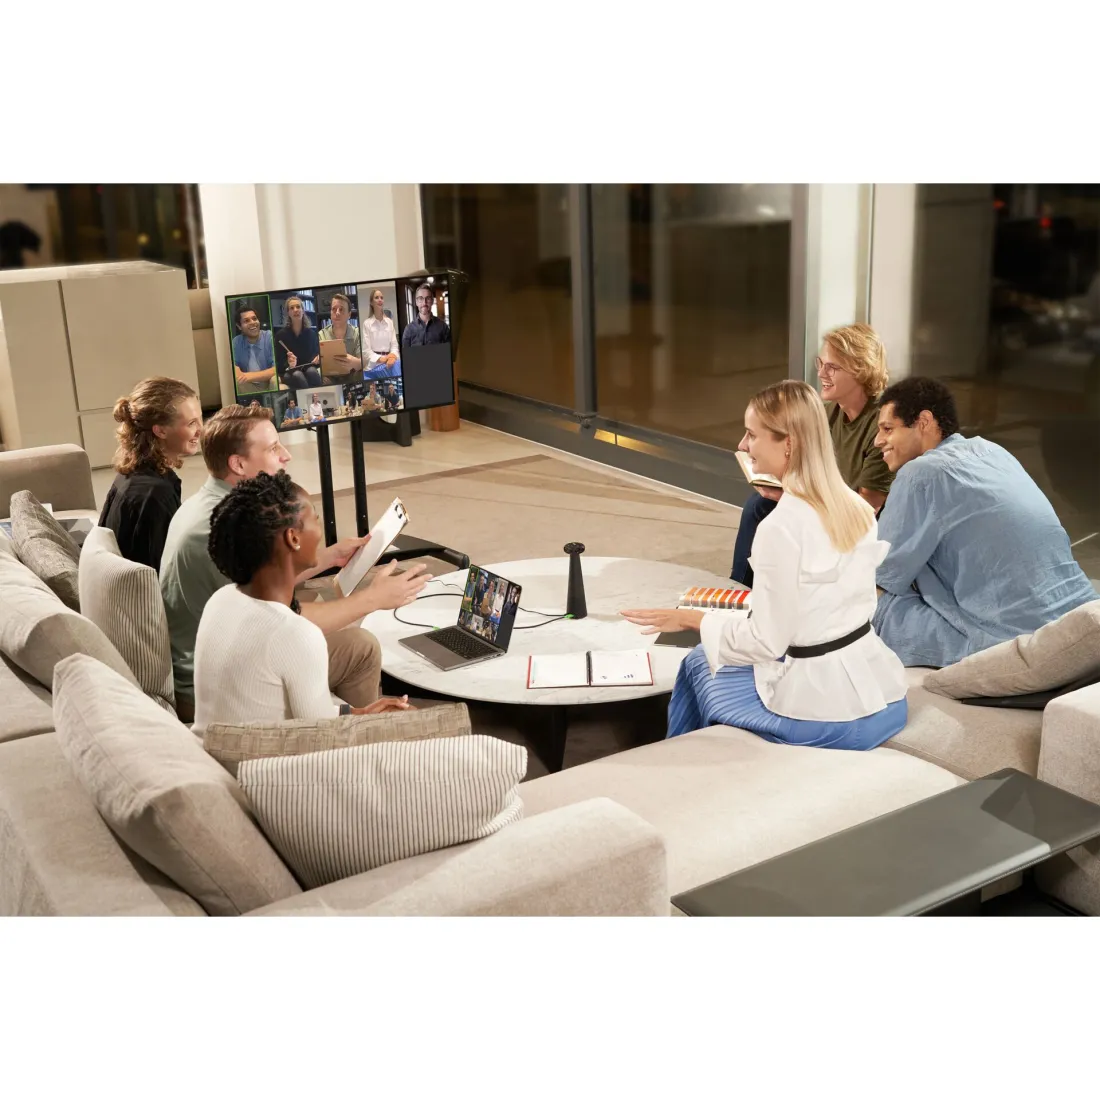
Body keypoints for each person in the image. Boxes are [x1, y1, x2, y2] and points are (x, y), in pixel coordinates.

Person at [622, 379, 907, 749]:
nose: (743, 446)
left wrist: (694, 620)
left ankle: (687, 764)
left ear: (788, 442)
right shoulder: (856, 507)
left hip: (829, 715)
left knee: (698, 663)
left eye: (752, 435)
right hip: (884, 695)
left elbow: (766, 643)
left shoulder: (779, 528)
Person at [160, 404, 428, 722]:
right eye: (274, 448)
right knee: (360, 645)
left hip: (221, 664)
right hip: (217, 686)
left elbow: (263, 579)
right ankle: (367, 740)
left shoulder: (214, 509)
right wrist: (372, 599)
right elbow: (281, 621)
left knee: (349, 633)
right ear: (238, 464)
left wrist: (327, 557)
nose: (286, 456)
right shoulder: (217, 531)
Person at [872, 376, 1098, 668]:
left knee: (877, 607)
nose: (878, 441)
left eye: (888, 429)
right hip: (1076, 610)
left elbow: (880, 576)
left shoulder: (919, 474)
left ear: (924, 422)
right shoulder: (993, 452)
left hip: (1009, 636)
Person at [193, 471, 413, 732]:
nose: (319, 531)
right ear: (293, 538)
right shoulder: (297, 635)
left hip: (222, 748)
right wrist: (376, 725)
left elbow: (308, 715)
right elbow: (323, 737)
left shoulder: (221, 600)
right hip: (271, 757)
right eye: (315, 519)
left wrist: (359, 713)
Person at [731, 324, 893, 587]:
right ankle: (741, 590)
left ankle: (752, 592)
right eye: (821, 363)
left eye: (832, 367)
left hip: (853, 522)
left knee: (765, 510)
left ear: (861, 370)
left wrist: (796, 499)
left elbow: (866, 510)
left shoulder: (882, 426)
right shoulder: (827, 413)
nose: (821, 373)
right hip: (825, 503)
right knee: (758, 505)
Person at [98, 377, 202, 572]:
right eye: (191, 423)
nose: (200, 430)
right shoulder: (156, 494)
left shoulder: (130, 475)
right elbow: (162, 574)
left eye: (199, 419)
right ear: (160, 430)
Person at [274, 295, 323, 392]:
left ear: (303, 310)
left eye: (298, 307)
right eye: (292, 308)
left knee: (312, 371)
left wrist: (318, 358)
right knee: (297, 374)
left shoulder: (311, 334)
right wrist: (289, 364)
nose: (295, 310)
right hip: (289, 372)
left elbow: (316, 355)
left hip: (308, 369)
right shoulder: (280, 335)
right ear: (288, 313)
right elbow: (278, 364)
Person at [231, 302, 277, 399]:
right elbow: (233, 366)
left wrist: (248, 376)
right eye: (246, 321)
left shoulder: (269, 336)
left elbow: (275, 369)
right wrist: (237, 370)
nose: (252, 322)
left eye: (254, 318)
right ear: (239, 326)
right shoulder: (236, 342)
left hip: (269, 382)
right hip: (250, 385)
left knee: (275, 380)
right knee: (236, 381)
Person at [319, 292, 362, 379]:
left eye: (341, 309)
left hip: (352, 376)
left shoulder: (357, 333)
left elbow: (363, 362)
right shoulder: (321, 335)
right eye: (334, 309)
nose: (337, 313)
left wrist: (355, 362)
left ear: (349, 314)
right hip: (330, 377)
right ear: (330, 313)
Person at [362, 288, 402, 381]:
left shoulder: (390, 322)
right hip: (374, 365)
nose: (380, 300)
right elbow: (366, 351)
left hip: (390, 362)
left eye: (381, 298)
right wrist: (382, 359)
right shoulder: (367, 323)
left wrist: (392, 357)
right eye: (376, 297)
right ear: (371, 302)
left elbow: (394, 346)